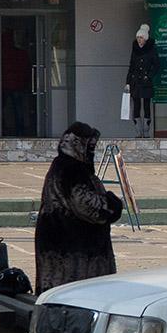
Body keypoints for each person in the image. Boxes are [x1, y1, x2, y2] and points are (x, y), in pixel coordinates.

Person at [34, 122, 123, 295]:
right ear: (79, 145)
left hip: (63, 248)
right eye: (90, 147)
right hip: (73, 255)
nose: (92, 152)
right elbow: (89, 207)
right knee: (73, 299)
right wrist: (113, 204)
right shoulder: (71, 170)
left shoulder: (64, 166)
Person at [126, 24, 161, 138]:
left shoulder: (151, 49)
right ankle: (138, 131)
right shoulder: (135, 48)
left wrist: (149, 76)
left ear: (145, 38)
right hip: (135, 81)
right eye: (137, 38)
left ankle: (146, 132)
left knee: (146, 106)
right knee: (136, 106)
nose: (139, 40)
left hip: (146, 82)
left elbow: (156, 65)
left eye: (141, 38)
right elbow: (131, 65)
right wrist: (128, 82)